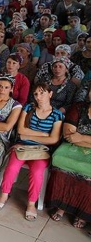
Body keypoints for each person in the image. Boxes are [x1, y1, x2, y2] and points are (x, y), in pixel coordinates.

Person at [0, 83, 63, 221]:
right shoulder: (28, 107)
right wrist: (44, 135)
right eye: (36, 94)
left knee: (37, 173)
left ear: (50, 94)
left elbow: (53, 139)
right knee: (12, 167)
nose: (39, 97)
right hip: (22, 146)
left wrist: (32, 135)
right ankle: (4, 195)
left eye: (42, 93)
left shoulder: (57, 114)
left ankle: (31, 203)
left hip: (41, 151)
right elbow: (20, 131)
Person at [46, 87, 91, 230]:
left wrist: (81, 137)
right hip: (71, 148)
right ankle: (61, 207)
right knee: (61, 161)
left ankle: (83, 214)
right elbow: (68, 134)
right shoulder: (78, 107)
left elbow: (76, 136)